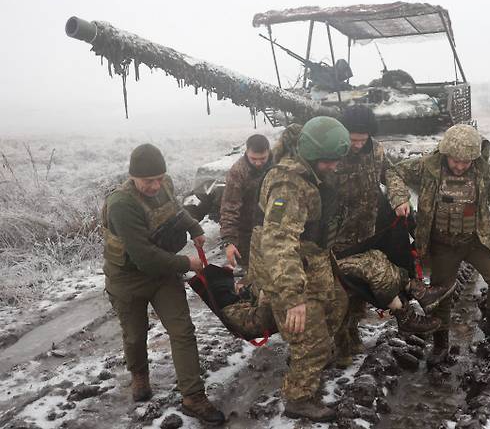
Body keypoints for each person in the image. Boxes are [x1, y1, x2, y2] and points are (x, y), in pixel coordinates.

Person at [395, 124, 490, 365]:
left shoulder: (485, 173)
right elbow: (394, 173)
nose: (461, 166)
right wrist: (400, 197)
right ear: (445, 154)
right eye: (455, 161)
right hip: (441, 244)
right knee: (441, 294)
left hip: (475, 240)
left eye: (467, 162)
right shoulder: (426, 167)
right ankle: (441, 343)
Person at [101, 143, 224, 424]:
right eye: (148, 181)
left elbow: (175, 210)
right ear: (133, 177)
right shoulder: (122, 205)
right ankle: (140, 375)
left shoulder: (163, 184)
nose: (156, 185)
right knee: (135, 334)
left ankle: (193, 396)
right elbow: (144, 257)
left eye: (159, 178)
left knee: (182, 330)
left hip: (163, 274)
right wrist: (187, 264)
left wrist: (194, 229)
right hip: (127, 278)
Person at [331, 105, 454, 366]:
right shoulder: (334, 153)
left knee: (360, 292)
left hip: (369, 230)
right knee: (342, 293)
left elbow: (391, 174)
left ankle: (353, 338)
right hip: (338, 237)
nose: (356, 144)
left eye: (361, 139)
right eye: (352, 139)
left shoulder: (376, 151)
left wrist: (399, 198)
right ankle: (341, 349)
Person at [248, 117, 350, 422]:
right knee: (312, 337)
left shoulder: (310, 171)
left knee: (338, 305)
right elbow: (279, 242)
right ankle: (299, 398)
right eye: (329, 161)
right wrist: (293, 298)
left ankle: (309, 357)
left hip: (311, 259)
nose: (333, 167)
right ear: (312, 154)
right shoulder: (288, 186)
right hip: (286, 269)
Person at [220, 134, 272, 268]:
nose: (258, 163)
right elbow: (230, 207)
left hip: (274, 228)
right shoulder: (238, 172)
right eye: (254, 159)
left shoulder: (278, 165)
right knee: (252, 274)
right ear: (247, 152)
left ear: (269, 152)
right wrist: (229, 240)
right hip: (247, 232)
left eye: (263, 158)